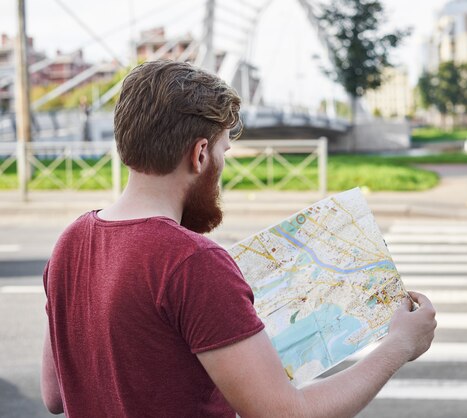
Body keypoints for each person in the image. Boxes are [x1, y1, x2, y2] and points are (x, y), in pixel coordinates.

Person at [41, 60, 437, 417]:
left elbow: (55, 396)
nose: (222, 166)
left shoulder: (70, 243)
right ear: (199, 155)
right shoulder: (190, 262)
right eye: (223, 152)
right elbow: (284, 414)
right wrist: (398, 346)